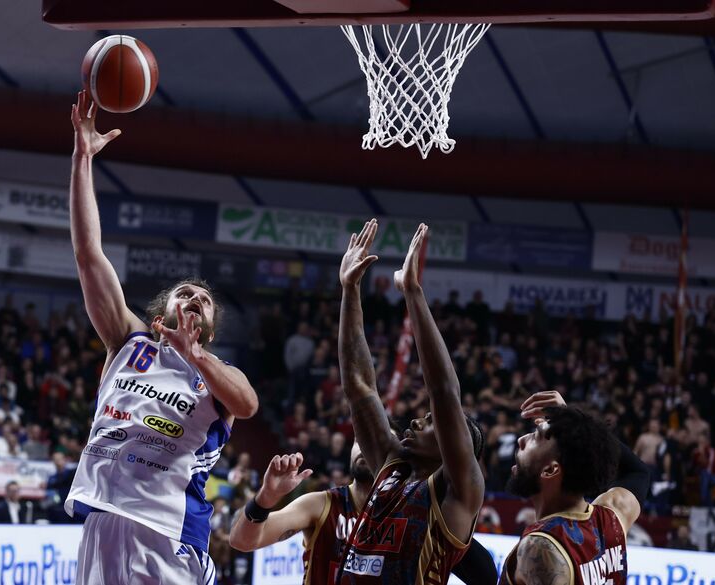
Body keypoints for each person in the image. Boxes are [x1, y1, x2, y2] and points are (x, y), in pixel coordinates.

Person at [65, 90, 259, 585]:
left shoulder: (218, 374)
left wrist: (197, 357)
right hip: (103, 521)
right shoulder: (127, 341)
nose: (194, 298)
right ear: (162, 312)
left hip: (169, 532)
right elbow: (89, 254)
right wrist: (82, 158)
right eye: (184, 293)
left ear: (209, 326)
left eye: (204, 300)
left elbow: (248, 404)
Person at [331, 220, 486, 583]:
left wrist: (413, 293)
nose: (417, 421)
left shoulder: (458, 491)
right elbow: (359, 387)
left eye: (431, 422)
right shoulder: (392, 467)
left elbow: (445, 394)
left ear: (455, 445)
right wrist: (350, 290)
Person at [229, 444, 497, 585]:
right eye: (359, 440)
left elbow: (485, 575)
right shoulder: (322, 505)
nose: (364, 448)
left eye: (372, 443)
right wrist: (265, 498)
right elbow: (242, 541)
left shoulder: (417, 516)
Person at [497, 391, 651, 585]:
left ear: (550, 470)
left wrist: (577, 421)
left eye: (536, 437)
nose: (521, 440)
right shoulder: (612, 517)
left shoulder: (540, 546)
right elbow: (638, 472)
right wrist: (577, 423)